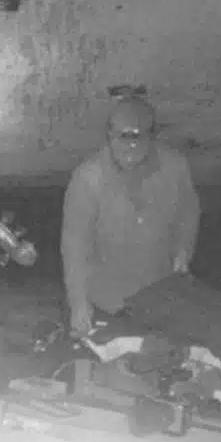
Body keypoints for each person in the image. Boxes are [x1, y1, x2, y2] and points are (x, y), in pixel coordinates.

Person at [60, 96, 202, 337]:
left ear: (152, 137)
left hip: (159, 291)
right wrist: (78, 304)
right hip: (107, 300)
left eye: (137, 141)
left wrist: (183, 251)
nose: (129, 151)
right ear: (109, 135)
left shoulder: (175, 166)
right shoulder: (87, 178)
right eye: (122, 141)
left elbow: (188, 213)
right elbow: (75, 246)